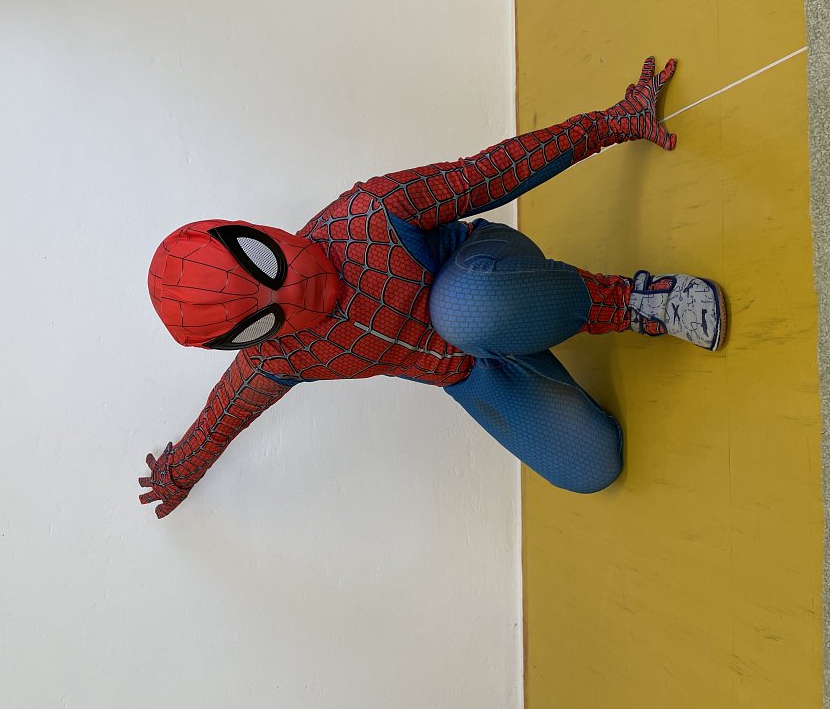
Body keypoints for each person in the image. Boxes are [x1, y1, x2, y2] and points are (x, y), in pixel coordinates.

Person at [140, 56, 726, 518]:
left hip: (483, 273)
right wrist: (179, 473)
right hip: (468, 370)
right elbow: (223, 415)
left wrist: (613, 122)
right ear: (242, 341)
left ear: (251, 234)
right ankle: (530, 333)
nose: (294, 296)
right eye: (261, 320)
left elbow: (493, 172)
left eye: (264, 267)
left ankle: (633, 301)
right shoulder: (278, 359)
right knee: (592, 467)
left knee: (462, 310)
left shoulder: (369, 215)